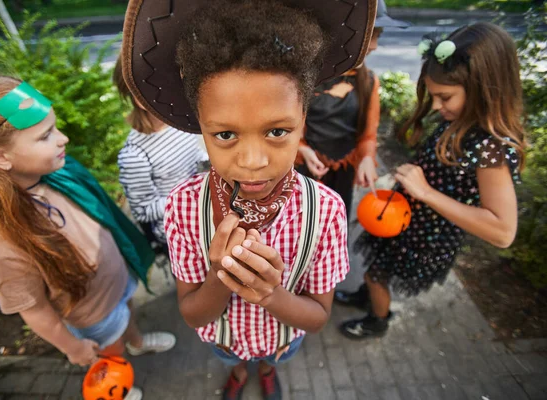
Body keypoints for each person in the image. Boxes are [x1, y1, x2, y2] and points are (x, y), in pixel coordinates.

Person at [120, 0, 375, 398]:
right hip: (225, 340)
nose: (253, 162)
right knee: (234, 359)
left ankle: (268, 370)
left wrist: (271, 295)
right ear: (200, 128)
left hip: (283, 340)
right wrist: (221, 275)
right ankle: (239, 371)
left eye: (277, 131)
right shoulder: (184, 207)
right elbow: (192, 312)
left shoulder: (325, 210)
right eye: (225, 135)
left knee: (271, 357)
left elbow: (317, 317)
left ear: (303, 120)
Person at [0, 75, 177, 400]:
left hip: (117, 281)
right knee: (112, 351)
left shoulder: (54, 175)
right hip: (93, 315)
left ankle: (136, 342)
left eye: (55, 128)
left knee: (128, 312)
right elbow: (36, 311)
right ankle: (119, 385)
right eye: (45, 136)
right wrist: (73, 347)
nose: (63, 139)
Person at [336, 22, 526, 339]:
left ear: (483, 87)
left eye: (445, 97)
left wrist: (424, 192)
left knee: (377, 273)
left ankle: (376, 320)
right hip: (405, 222)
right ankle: (367, 295)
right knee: (374, 272)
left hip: (425, 235)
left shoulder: (490, 148)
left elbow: (502, 231)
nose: (436, 107)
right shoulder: (463, 119)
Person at [297, 0, 409, 218]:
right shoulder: (305, 78)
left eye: (379, 35)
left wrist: (367, 157)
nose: (375, 45)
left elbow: (368, 134)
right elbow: (286, 124)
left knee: (336, 222)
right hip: (303, 168)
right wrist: (300, 148)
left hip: (343, 171)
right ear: (344, 36)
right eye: (372, 35)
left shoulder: (367, 81)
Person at [114, 58, 208, 246]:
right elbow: (143, 209)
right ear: (140, 99)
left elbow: (194, 156)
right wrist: (189, 197)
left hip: (202, 203)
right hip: (178, 228)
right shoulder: (134, 155)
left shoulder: (179, 121)